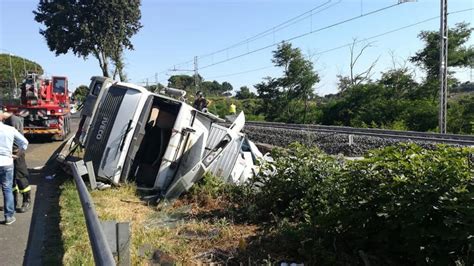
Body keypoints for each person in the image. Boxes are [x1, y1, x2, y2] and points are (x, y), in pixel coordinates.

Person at [0, 110, 29, 225]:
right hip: (7, 162)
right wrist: (17, 155)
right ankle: (9, 216)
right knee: (7, 189)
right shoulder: (9, 129)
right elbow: (25, 143)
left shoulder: (14, 122)